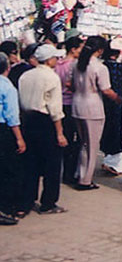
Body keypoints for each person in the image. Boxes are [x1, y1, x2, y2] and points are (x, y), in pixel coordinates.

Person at [18, 43, 69, 214]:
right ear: (49, 60)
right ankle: (48, 202)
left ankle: (27, 199)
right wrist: (60, 133)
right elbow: (55, 109)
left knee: (30, 163)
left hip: (27, 119)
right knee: (52, 165)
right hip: (45, 121)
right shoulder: (51, 77)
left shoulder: (25, 76)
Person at [71, 37, 119, 190]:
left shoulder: (77, 65)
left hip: (77, 105)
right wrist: (118, 98)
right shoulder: (99, 67)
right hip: (93, 107)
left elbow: (70, 85)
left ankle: (80, 173)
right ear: (100, 50)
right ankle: (86, 180)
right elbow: (106, 90)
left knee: (84, 144)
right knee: (92, 146)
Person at [0, 52, 25, 224]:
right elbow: (12, 116)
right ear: (7, 68)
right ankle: (5, 209)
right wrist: (19, 138)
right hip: (4, 130)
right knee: (7, 171)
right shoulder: (7, 87)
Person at [54, 35, 82, 186]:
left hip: (60, 103)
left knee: (63, 138)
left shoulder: (57, 64)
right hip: (71, 103)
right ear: (73, 49)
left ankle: (63, 170)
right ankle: (69, 174)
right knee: (72, 141)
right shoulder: (74, 65)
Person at [99, 42, 122, 176]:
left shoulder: (102, 66)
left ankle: (108, 159)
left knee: (106, 130)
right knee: (121, 132)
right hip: (118, 100)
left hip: (103, 102)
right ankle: (116, 164)